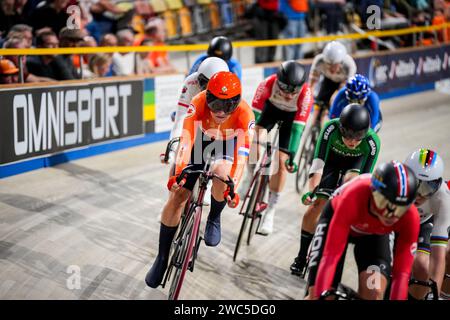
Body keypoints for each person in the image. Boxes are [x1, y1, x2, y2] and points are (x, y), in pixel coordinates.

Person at [145, 71, 255, 288]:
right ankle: (162, 257)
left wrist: (232, 188)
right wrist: (179, 174)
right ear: (207, 97)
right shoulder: (197, 102)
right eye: (215, 104)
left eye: (228, 106)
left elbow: (242, 157)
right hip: (201, 141)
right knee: (179, 194)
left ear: (237, 102)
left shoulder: (246, 114)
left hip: (227, 145)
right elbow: (186, 141)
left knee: (222, 173)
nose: (221, 112)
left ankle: (214, 216)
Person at [305, 161, 420, 300]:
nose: (390, 215)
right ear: (373, 193)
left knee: (374, 293)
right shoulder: (354, 196)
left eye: (400, 209)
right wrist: (321, 294)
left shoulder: (411, 217)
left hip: (374, 236)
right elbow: (330, 256)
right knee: (318, 295)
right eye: (384, 204)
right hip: (336, 220)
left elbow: (401, 274)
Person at [290, 103, 380, 276]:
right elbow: (318, 162)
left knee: (351, 183)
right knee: (316, 206)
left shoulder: (372, 141)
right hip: (331, 162)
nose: (352, 142)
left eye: (357, 138)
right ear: (341, 129)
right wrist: (312, 191)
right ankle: (301, 256)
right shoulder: (330, 128)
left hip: (354, 167)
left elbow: (365, 180)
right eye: (348, 137)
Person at [240, 60, 313, 235]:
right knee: (257, 138)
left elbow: (297, 130)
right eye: (285, 88)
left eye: (294, 90)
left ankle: (270, 211)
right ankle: (249, 176)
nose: (289, 94)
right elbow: (253, 120)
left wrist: (292, 156)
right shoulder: (267, 84)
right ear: (278, 81)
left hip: (291, 120)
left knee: (281, 161)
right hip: (270, 111)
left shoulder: (306, 94)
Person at [404, 149, 450, 300]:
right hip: (394, 222)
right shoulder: (395, 181)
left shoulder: (443, 198)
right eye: (416, 186)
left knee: (423, 265)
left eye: (427, 189)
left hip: (422, 224)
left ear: (437, 185)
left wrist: (434, 293)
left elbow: (438, 257)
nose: (419, 196)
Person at [308, 41, 356, 129]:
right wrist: (310, 93)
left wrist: (335, 95)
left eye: (335, 65)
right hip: (328, 80)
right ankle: (314, 125)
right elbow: (312, 81)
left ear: (341, 62)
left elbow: (346, 85)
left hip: (342, 83)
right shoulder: (319, 60)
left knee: (334, 101)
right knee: (319, 101)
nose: (331, 68)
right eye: (328, 65)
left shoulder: (349, 65)